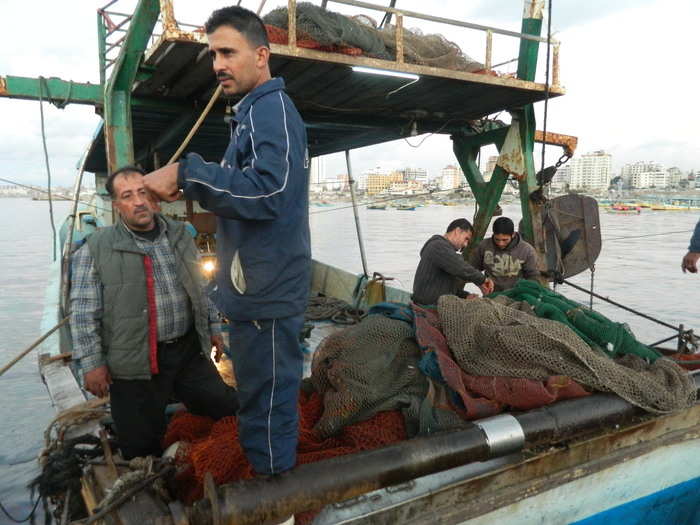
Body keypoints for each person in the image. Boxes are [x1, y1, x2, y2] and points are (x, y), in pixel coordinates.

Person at [142, 6, 311, 480]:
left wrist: (187, 172)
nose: (217, 63)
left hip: (268, 295)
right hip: (255, 292)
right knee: (259, 395)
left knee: (268, 400)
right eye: (213, 53)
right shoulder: (253, 114)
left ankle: (275, 495)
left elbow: (270, 191)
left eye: (228, 52)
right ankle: (269, 476)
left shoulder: (270, 111)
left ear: (261, 55)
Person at [69, 166, 238, 460]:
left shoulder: (180, 236)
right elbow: (83, 312)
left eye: (143, 192)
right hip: (133, 363)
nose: (138, 201)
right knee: (139, 445)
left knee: (225, 409)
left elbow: (200, 287)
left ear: (155, 197)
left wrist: (213, 327)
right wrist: (93, 363)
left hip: (186, 352)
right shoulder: (95, 249)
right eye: (127, 195)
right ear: (116, 204)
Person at [412, 218, 494, 305]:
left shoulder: (443, 250)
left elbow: (446, 287)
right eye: (466, 239)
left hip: (436, 302)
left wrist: (465, 296)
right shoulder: (438, 246)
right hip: (428, 304)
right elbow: (461, 268)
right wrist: (483, 280)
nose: (465, 244)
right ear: (457, 231)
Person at [469, 217, 539, 292]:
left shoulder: (527, 250)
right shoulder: (484, 246)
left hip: (517, 294)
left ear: (513, 235)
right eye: (497, 239)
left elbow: (533, 276)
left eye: (505, 240)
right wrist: (482, 282)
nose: (500, 243)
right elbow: (472, 269)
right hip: (492, 295)